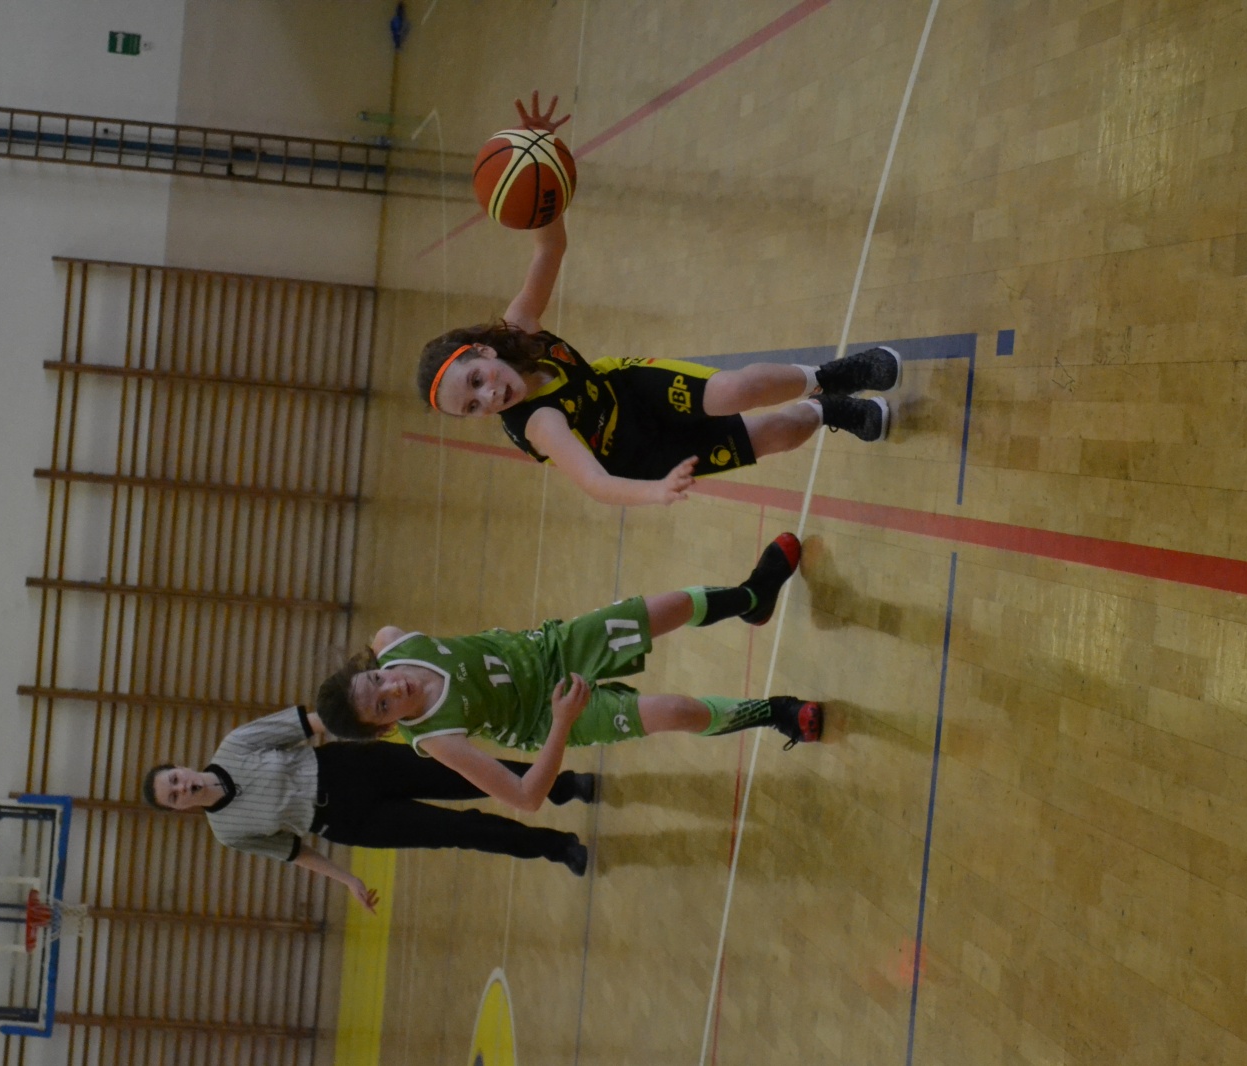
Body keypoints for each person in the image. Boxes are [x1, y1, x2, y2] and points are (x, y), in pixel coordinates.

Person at [416, 94, 903, 508]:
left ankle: (831, 377)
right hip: (638, 459)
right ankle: (829, 411)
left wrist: (537, 159)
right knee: (773, 435)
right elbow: (595, 482)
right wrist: (656, 491)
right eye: (473, 406)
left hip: (626, 391)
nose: (488, 397)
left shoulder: (520, 326)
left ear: (483, 351)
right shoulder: (539, 424)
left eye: (475, 381)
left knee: (736, 390)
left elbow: (550, 248)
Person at [314, 533, 823, 812]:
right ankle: (774, 712)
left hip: (550, 649)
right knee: (675, 711)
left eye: (376, 680)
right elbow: (526, 797)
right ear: (386, 727)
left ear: (369, 666)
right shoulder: (437, 739)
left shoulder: (392, 642)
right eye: (383, 705)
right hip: (547, 715)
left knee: (670, 606)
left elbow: (386, 653)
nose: (393, 687)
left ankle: (753, 597)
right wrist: (561, 722)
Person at [143, 707, 598, 912]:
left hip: (353, 767)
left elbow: (311, 721)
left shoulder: (236, 744)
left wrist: (371, 719)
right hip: (348, 822)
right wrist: (348, 880)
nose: (183, 787)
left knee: (464, 774)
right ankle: (558, 847)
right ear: (179, 810)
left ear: (181, 767)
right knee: (459, 830)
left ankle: (561, 785)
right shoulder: (228, 831)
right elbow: (295, 852)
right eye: (174, 795)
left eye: (175, 779)